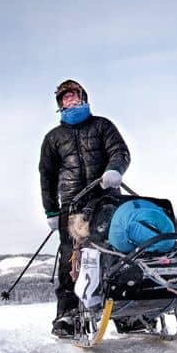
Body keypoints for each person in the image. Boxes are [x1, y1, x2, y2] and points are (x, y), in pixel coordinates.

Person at [39, 79, 130, 337]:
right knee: (72, 260)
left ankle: (128, 313)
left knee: (116, 252)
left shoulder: (102, 126)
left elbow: (120, 152)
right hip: (72, 206)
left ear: (83, 97)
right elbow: (46, 176)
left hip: (106, 201)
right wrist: (51, 211)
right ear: (60, 104)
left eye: (73, 95)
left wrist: (115, 170)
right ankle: (68, 315)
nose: (70, 100)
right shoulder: (53, 138)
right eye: (65, 98)